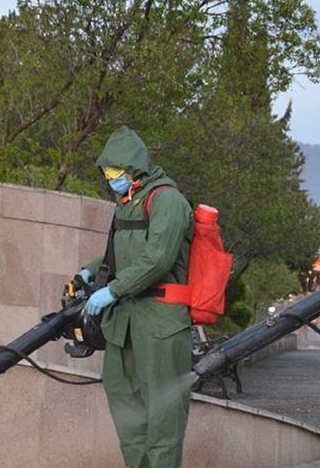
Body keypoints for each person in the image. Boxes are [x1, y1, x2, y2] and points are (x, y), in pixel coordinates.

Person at [80, 126, 194, 468]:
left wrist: (111, 291)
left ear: (134, 168)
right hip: (124, 324)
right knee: (126, 412)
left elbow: (157, 259)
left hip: (160, 324)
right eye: (107, 173)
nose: (111, 179)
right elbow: (119, 255)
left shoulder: (168, 201)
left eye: (115, 172)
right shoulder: (126, 204)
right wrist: (89, 271)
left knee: (163, 420)